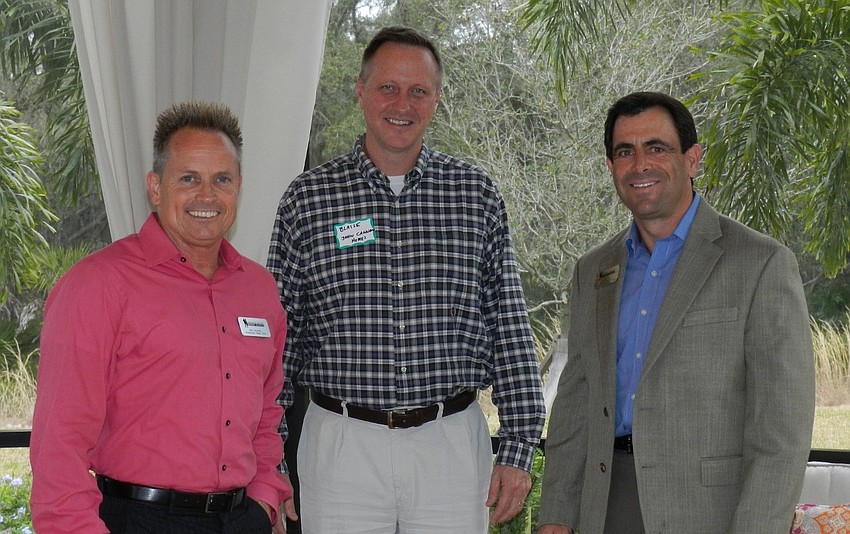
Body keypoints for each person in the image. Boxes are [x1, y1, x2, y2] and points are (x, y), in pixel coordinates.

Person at [266, 26, 545, 533]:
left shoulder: (474, 194)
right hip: (340, 447)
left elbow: (508, 325)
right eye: (388, 87)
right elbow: (277, 345)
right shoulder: (308, 200)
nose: (403, 103)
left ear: (436, 98)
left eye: (418, 90)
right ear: (360, 90)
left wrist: (520, 445)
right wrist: (269, 460)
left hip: (451, 448)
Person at [536, 91, 816, 534]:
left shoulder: (760, 263)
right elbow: (575, 407)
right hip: (603, 508)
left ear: (692, 159)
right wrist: (555, 514)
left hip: (711, 514)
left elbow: (781, 432)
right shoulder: (592, 272)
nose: (640, 164)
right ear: (611, 168)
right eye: (625, 151)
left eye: (656, 148)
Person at [30, 101, 294, 533]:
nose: (206, 195)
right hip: (140, 519)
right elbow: (59, 441)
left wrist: (265, 495)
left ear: (238, 188)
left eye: (221, 179)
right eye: (188, 178)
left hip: (242, 518)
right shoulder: (97, 284)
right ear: (155, 187)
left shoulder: (259, 289)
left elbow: (267, 411)